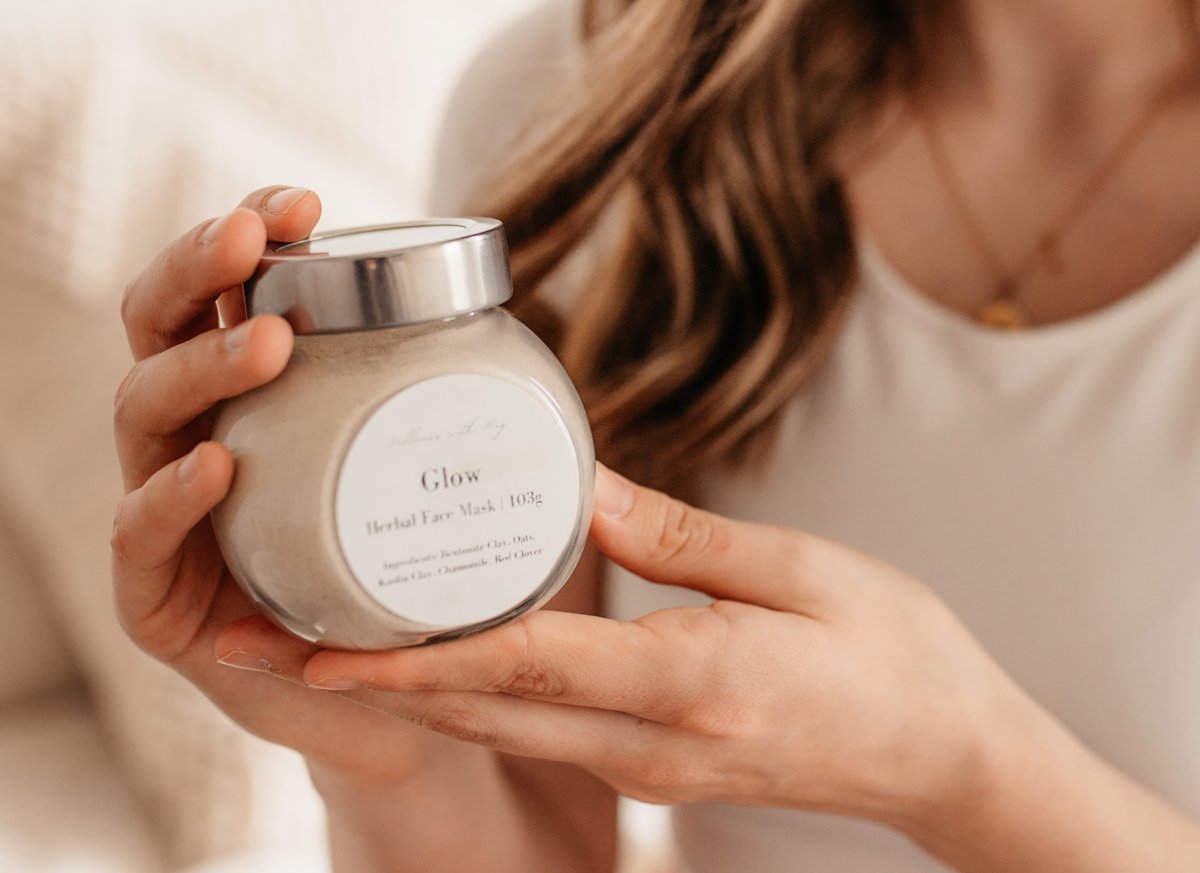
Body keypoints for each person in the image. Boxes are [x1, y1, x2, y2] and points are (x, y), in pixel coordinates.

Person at [111, 0, 1200, 870]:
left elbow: (957, 765)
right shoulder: (586, 104)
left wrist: (961, 770)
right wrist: (392, 753)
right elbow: (537, 847)